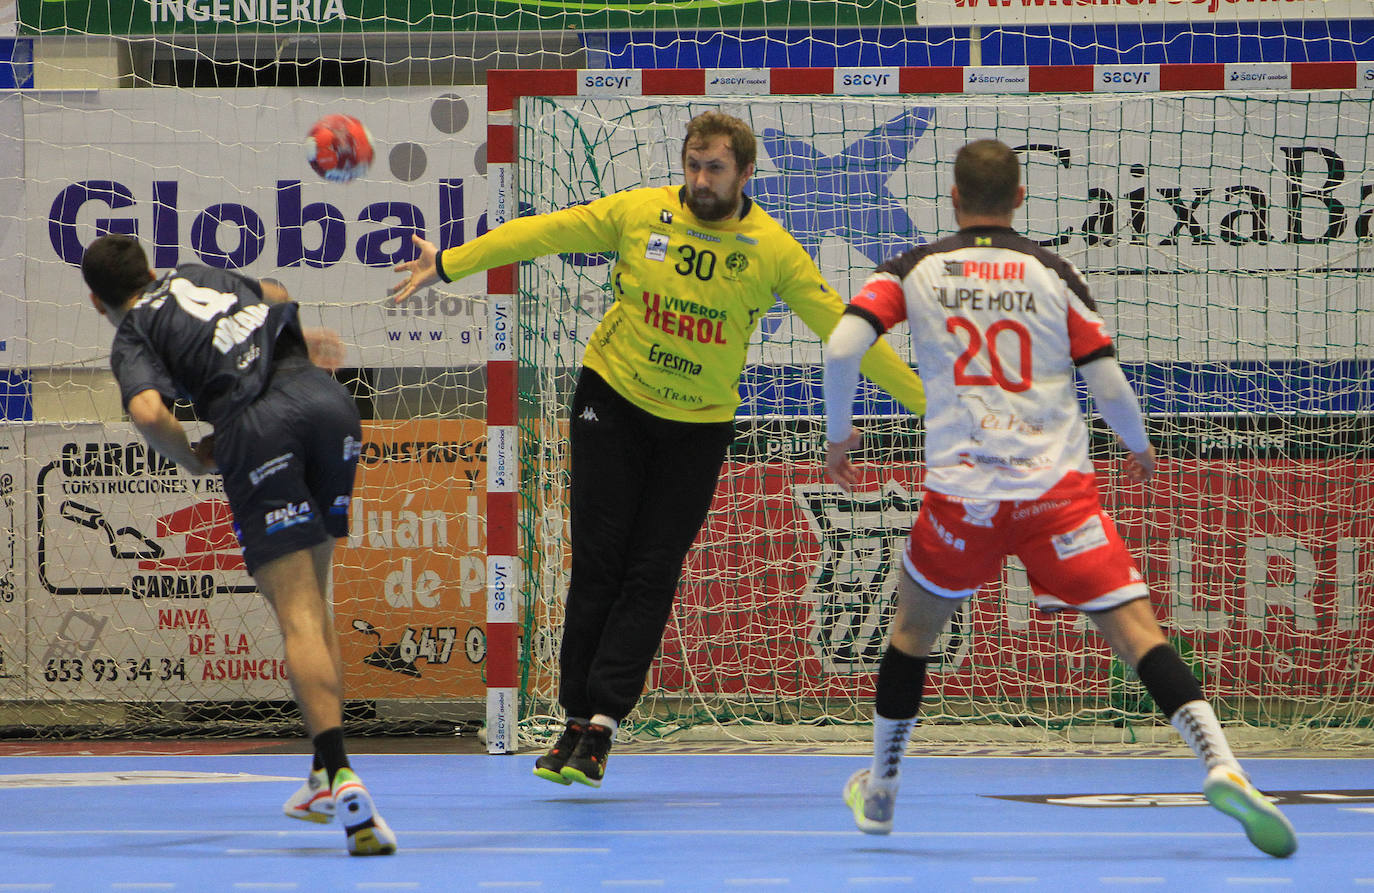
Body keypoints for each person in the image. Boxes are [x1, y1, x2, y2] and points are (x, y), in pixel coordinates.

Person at [390, 111, 927, 788]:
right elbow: (541, 232)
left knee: (652, 571)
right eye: (693, 166)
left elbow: (852, 335)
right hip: (611, 399)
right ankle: (573, 717)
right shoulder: (639, 213)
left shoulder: (772, 250)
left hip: (697, 426)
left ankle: (604, 725)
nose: (701, 180)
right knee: (597, 565)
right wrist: (449, 262)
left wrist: (938, 409)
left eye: (716, 169)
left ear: (746, 173)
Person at [822, 139, 1297, 858]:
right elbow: (1106, 383)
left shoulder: (913, 269)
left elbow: (839, 346)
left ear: (953, 198)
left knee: (912, 634)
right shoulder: (1052, 272)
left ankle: (882, 791)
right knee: (1138, 632)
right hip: (1055, 495)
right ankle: (1222, 763)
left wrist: (838, 434)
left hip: (963, 499)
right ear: (1019, 199)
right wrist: (1137, 446)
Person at [81, 233, 396, 857]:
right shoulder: (199, 273)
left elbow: (148, 412)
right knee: (320, 601)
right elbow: (277, 294)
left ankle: (341, 774)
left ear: (97, 302)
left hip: (261, 424)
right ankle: (317, 775)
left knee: (298, 614)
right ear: (151, 265)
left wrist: (193, 459)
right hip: (327, 400)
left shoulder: (131, 334)